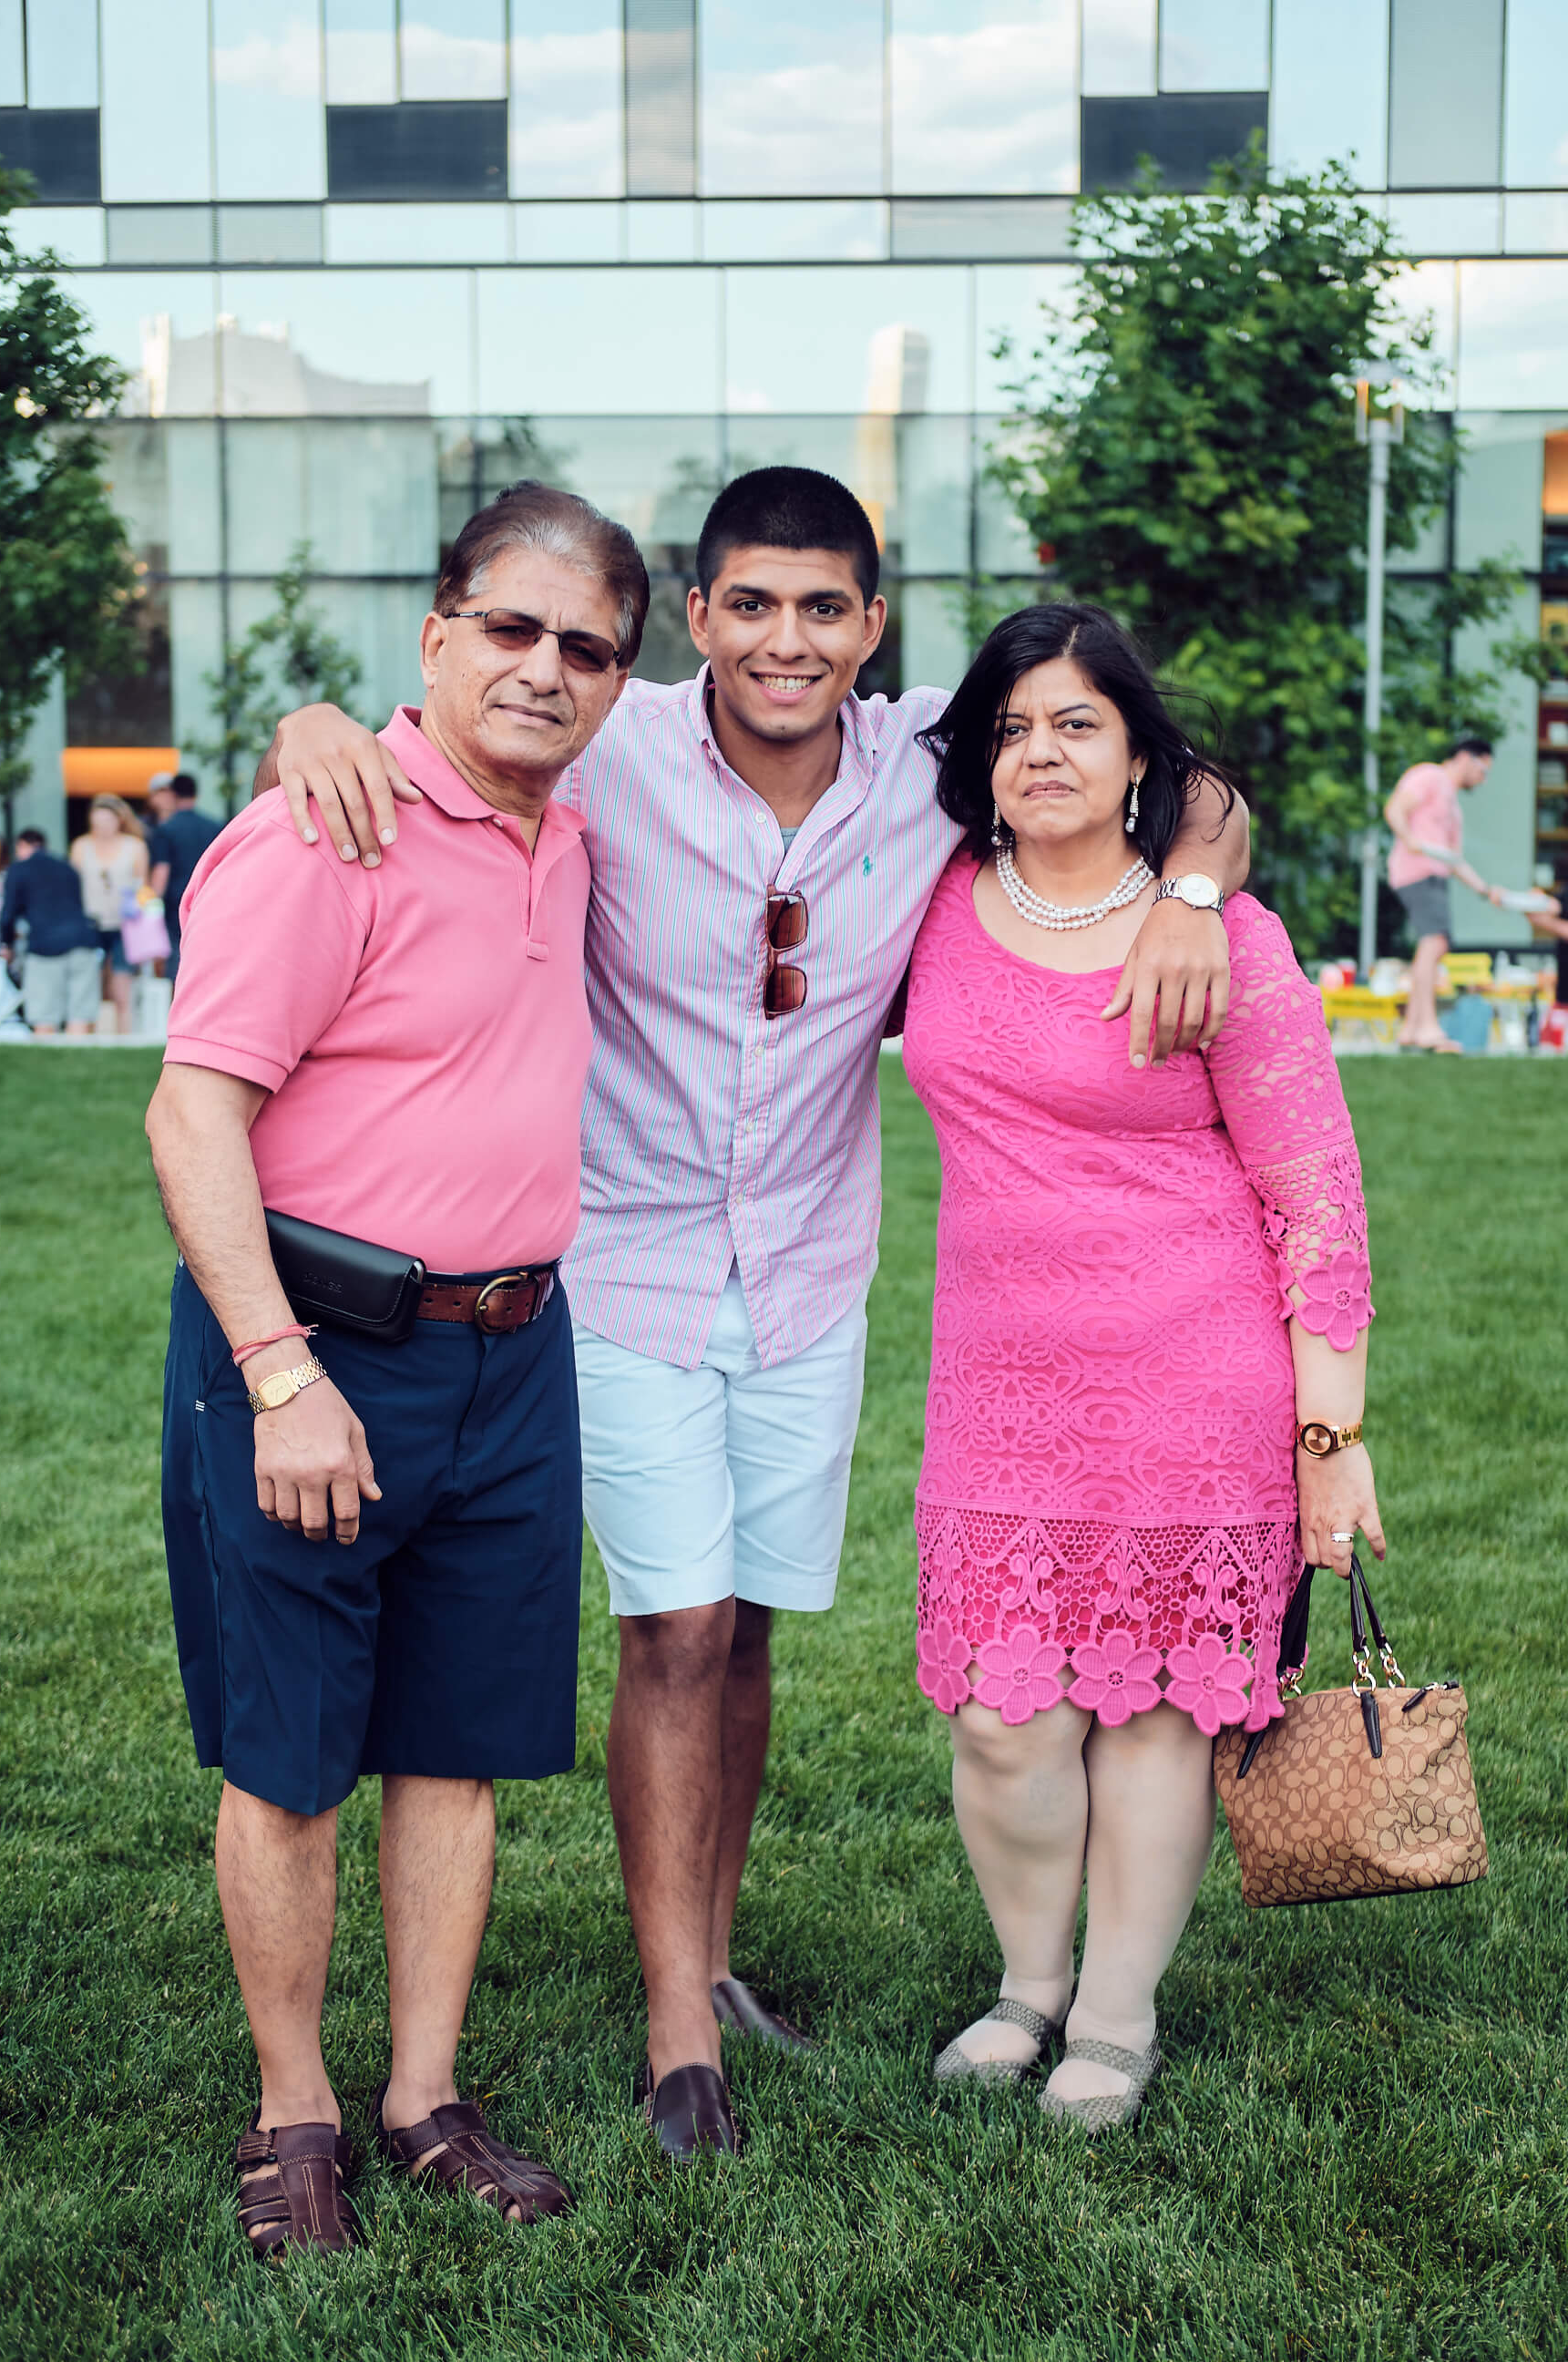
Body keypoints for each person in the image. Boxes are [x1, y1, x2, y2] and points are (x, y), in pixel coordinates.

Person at [258, 467, 1253, 2162]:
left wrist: (1194, 887)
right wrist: (306, 720)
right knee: (676, 1628)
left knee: (754, 1626)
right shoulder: (611, 743)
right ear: (696, 620)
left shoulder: (937, 757)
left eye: (820, 609)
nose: (783, 641)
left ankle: (709, 1961)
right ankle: (673, 2041)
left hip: (808, 1264)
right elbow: (441, 727)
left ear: (871, 627)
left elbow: (1196, 776)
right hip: (628, 1266)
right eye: (748, 604)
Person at [143, 485, 644, 2259]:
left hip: (518, 1355)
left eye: (587, 648)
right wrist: (282, 1372)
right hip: (316, 1351)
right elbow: (192, 1107)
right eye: (508, 628)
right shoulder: (321, 827)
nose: (544, 669)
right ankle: (296, 2115)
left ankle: (427, 2099)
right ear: (435, 637)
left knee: (454, 1750)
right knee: (290, 1758)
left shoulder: (576, 827)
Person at [901, 604, 1382, 2131]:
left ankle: (1113, 2015)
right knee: (1002, 1712)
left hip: (1194, 1377)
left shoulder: (1221, 934)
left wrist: (1332, 1423)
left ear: (1132, 756)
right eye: (1010, 726)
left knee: (1159, 1713)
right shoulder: (926, 901)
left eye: (1074, 723)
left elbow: (1314, 1182)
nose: (1036, 751)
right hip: (997, 1387)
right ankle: (1024, 1980)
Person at [1385, 737, 1500, 1053]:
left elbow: (1455, 860)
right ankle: (1427, 1028)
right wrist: (1409, 839)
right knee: (1435, 942)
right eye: (1482, 769)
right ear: (1465, 758)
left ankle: (1411, 1028)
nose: (1483, 778)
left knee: (1433, 945)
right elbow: (1395, 808)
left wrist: (1486, 890)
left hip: (1435, 876)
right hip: (1416, 873)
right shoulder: (1429, 776)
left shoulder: (1454, 808)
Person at [0, 827, 102, 1035]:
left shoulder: (19, 869)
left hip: (43, 948)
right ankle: (77, 1064)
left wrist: (6, 944)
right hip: (82, 942)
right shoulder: (67, 867)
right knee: (79, 1015)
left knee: (44, 1016)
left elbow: (8, 914)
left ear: (21, 846)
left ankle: (45, 1064)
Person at [71, 794, 149, 1035]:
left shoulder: (135, 847)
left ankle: (124, 1036)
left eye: (108, 819)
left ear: (119, 820)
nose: (102, 825)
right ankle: (89, 1035)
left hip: (125, 924)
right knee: (88, 985)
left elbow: (142, 887)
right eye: (98, 820)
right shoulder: (81, 846)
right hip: (89, 924)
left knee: (122, 986)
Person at [147, 771, 222, 981]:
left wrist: (152, 904)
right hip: (209, 897)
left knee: (178, 957)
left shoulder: (166, 829)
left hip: (176, 902)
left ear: (173, 794)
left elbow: (161, 871)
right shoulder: (215, 825)